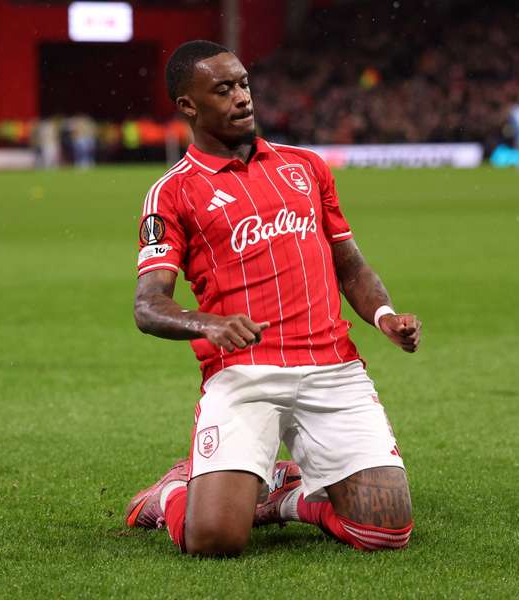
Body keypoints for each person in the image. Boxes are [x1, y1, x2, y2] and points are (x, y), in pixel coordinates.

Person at [125, 40, 422, 557]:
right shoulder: (172, 193)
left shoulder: (304, 167)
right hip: (243, 373)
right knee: (214, 541)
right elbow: (148, 305)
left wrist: (385, 316)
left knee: (386, 530)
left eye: (243, 83)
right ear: (188, 106)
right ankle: (172, 492)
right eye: (223, 89)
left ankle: (285, 499)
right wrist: (207, 324)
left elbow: (349, 264)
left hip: (332, 366)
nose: (242, 97)